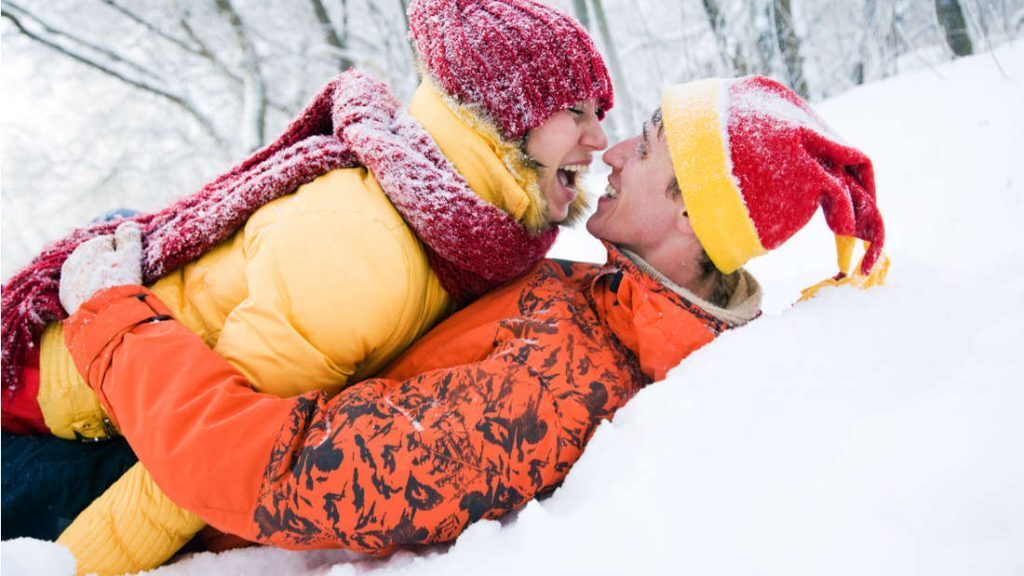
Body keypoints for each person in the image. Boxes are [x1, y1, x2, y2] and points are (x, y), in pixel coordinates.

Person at [58, 76, 887, 558]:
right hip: (169, 390)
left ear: (689, 219)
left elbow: (268, 471)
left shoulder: (554, 394)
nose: (615, 150)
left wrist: (109, 317)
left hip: (144, 476)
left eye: (647, 145)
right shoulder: (600, 298)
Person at [0, 0, 612, 572]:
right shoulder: (366, 249)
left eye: (598, 114)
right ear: (502, 115)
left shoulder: (457, 236)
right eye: (576, 112)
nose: (599, 139)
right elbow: (198, 461)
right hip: (52, 402)